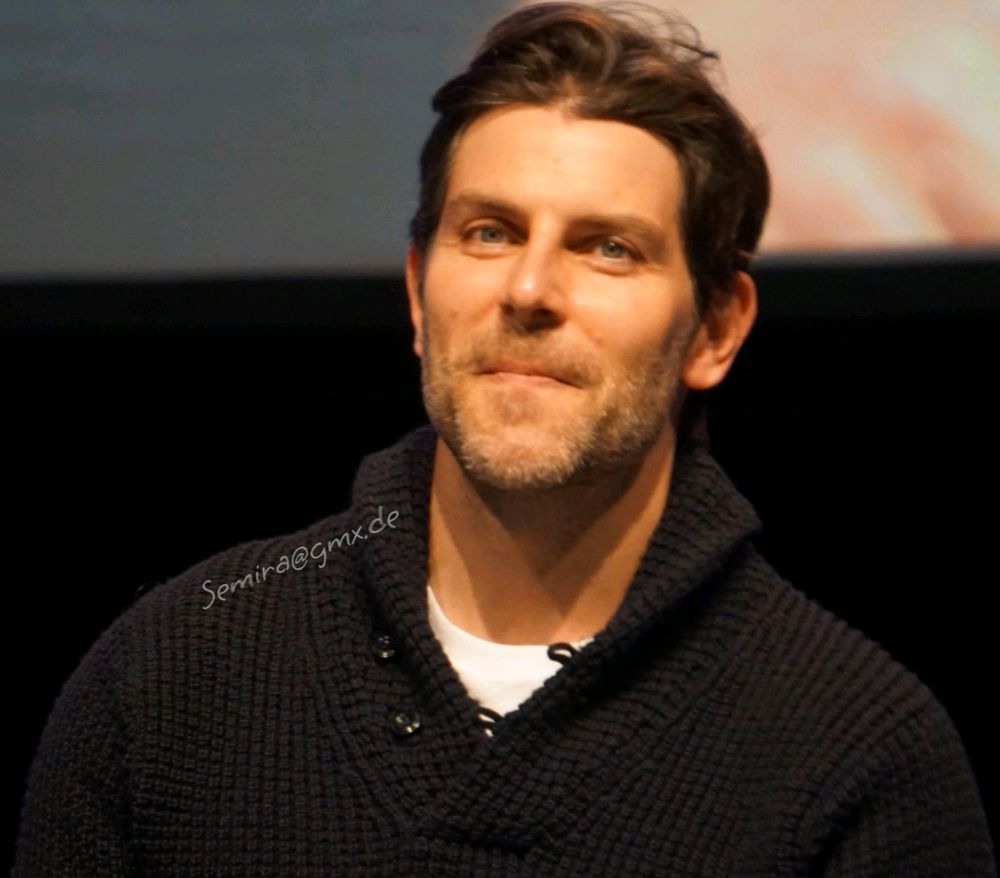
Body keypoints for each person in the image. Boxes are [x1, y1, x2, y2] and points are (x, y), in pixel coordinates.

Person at [14, 3, 995, 875]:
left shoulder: (857, 753)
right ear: (417, 290)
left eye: (608, 247)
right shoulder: (178, 666)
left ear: (716, 329)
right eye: (488, 232)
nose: (528, 290)